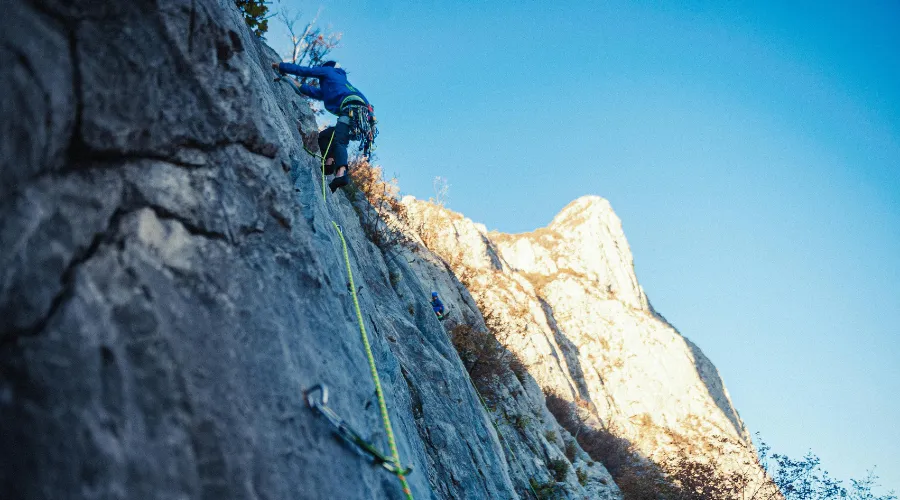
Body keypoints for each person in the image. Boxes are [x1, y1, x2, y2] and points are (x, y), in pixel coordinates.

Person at [272, 60, 372, 192]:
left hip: (352, 110)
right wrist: (287, 78)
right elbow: (305, 89)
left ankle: (341, 173)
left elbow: (305, 71)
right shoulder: (338, 85)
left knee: (339, 142)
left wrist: (280, 66)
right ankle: (329, 163)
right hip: (363, 120)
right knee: (326, 136)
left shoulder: (329, 71)